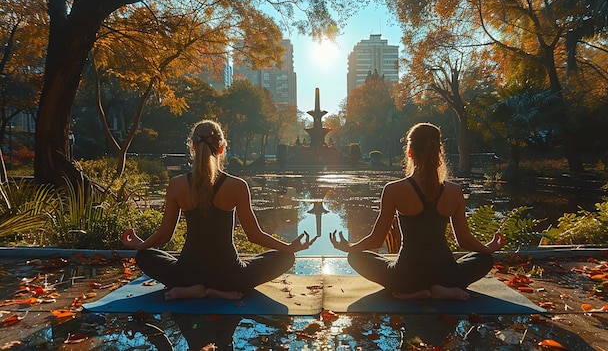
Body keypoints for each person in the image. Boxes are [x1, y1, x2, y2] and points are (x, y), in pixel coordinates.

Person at [123, 119, 315, 300]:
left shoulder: (176, 185)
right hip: (230, 276)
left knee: (145, 256)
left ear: (193, 147)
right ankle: (221, 291)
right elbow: (254, 236)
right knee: (286, 258)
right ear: (222, 148)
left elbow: (164, 236)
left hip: (185, 275)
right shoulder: (237, 186)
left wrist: (140, 245)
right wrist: (289, 248)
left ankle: (194, 290)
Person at [329, 123, 505, 301]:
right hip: (448, 276)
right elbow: (464, 241)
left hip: (405, 277)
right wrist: (487, 248)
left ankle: (414, 292)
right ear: (439, 152)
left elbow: (376, 240)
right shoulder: (454, 191)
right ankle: (442, 289)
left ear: (410, 152)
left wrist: (349, 247)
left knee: (355, 257)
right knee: (485, 260)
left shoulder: (394, 189)